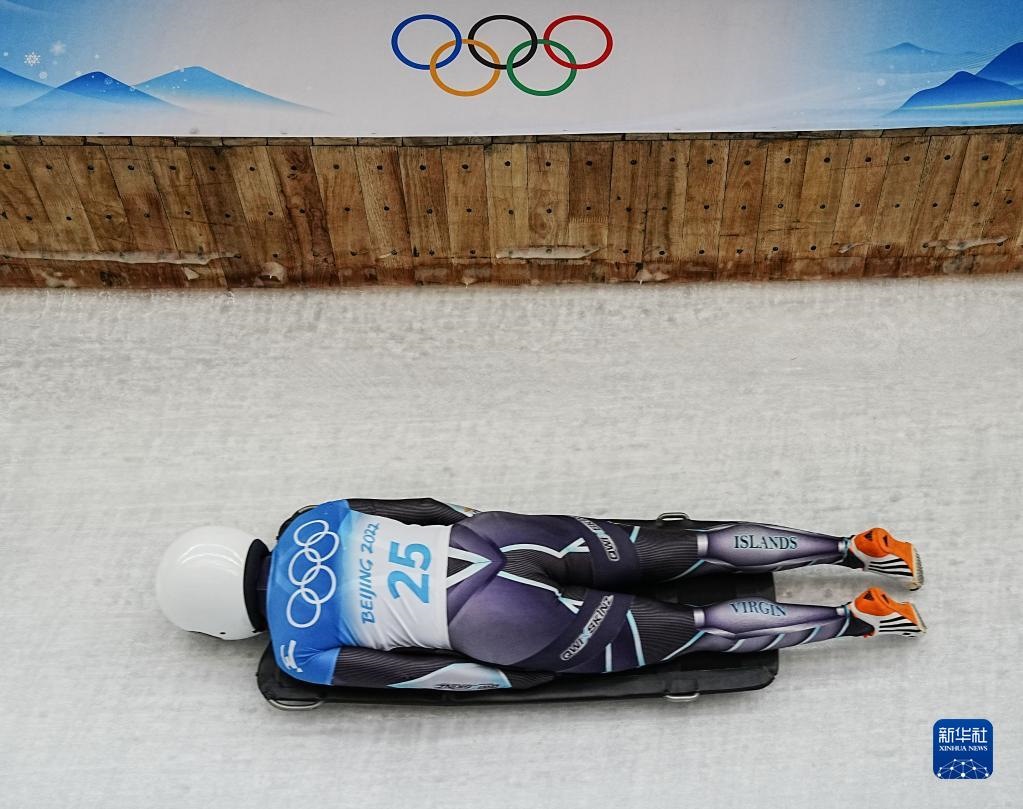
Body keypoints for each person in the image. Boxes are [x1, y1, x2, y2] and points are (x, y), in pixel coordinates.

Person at [156, 498, 926, 691]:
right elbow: (424, 509)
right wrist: (482, 523)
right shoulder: (311, 518)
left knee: (689, 627)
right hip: (493, 538)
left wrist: (512, 677)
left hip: (490, 620)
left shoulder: (297, 653)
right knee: (685, 546)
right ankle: (852, 547)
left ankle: (855, 620)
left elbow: (422, 676)